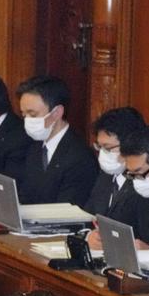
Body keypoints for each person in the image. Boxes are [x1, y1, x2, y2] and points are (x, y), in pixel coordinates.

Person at [16, 75, 98, 208]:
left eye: (33, 114)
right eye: (24, 114)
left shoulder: (79, 156)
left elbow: (68, 210)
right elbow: (26, 194)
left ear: (57, 112)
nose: (27, 121)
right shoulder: (34, 146)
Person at [83, 106, 145, 229]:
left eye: (108, 148)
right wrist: (89, 235)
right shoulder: (106, 175)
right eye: (99, 147)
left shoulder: (145, 182)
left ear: (131, 145)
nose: (102, 154)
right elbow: (89, 216)